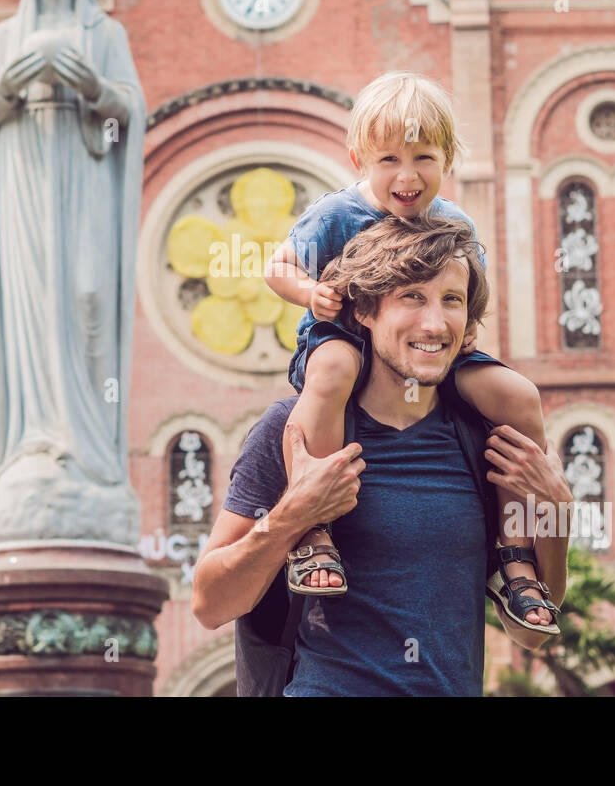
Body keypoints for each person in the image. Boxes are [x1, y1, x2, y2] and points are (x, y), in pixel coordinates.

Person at [192, 213, 572, 696]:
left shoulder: (485, 441)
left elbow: (527, 632)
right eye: (411, 297)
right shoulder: (293, 431)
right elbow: (209, 604)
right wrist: (292, 517)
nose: (435, 324)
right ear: (364, 311)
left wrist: (557, 517)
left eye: (451, 301)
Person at [261, 71, 555, 631]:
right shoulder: (335, 215)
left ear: (448, 158)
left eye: (423, 157)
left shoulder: (455, 223)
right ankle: (313, 527)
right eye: (389, 159)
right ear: (358, 159)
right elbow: (278, 267)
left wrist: (464, 328)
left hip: (430, 355)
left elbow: (471, 298)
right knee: (333, 369)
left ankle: (515, 556)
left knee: (517, 395)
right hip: (343, 336)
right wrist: (310, 293)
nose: (407, 175)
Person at [0, 0, 146, 544]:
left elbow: (130, 108)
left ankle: (89, 447)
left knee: (89, 295)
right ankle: (37, 439)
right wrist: (8, 85)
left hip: (86, 175)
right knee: (35, 309)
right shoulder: (4, 34)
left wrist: (93, 86)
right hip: (24, 178)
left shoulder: (106, 33)